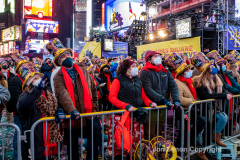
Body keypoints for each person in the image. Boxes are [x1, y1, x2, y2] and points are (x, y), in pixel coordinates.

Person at [47, 39, 101, 160]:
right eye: (63, 56)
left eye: (68, 55)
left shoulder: (83, 70)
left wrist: (95, 107)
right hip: (71, 116)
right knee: (72, 147)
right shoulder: (58, 76)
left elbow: (93, 89)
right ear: (59, 61)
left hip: (88, 113)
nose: (67, 57)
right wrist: (72, 110)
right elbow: (62, 94)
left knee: (96, 133)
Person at [108, 59, 157, 159]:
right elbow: (112, 97)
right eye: (133, 66)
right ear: (127, 68)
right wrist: (125, 106)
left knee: (135, 142)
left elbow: (142, 96)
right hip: (121, 117)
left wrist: (150, 103)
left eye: (136, 65)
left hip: (135, 117)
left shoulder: (138, 80)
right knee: (121, 141)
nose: (136, 67)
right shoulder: (118, 79)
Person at [165, 52, 207, 160]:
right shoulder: (177, 82)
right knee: (198, 123)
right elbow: (181, 99)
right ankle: (184, 147)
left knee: (185, 130)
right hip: (182, 110)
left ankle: (182, 149)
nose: (189, 72)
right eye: (187, 70)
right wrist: (193, 101)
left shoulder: (187, 82)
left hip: (189, 109)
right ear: (183, 73)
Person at [17, 71, 62, 160]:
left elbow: (57, 105)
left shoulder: (48, 94)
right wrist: (36, 90)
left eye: (39, 77)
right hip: (36, 138)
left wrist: (59, 111)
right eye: (35, 79)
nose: (39, 79)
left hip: (50, 137)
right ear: (30, 83)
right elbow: (23, 106)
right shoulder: (26, 94)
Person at [192, 52, 232, 147]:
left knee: (223, 117)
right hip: (204, 109)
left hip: (214, 108)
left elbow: (225, 88)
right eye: (211, 66)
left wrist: (225, 93)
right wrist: (223, 95)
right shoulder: (200, 81)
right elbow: (206, 96)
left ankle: (215, 137)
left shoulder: (217, 78)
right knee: (202, 130)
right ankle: (199, 148)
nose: (213, 67)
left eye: (213, 65)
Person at [139, 50, 181, 140]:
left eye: (158, 56)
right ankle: (148, 152)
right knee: (150, 133)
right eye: (155, 56)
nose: (158, 58)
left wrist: (176, 100)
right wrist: (162, 99)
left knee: (158, 132)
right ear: (149, 60)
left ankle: (155, 151)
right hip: (151, 107)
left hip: (163, 107)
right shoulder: (144, 72)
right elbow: (148, 89)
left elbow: (173, 86)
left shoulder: (165, 71)